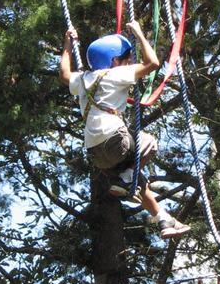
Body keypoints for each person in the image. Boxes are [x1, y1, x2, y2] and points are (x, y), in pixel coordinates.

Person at [60, 21, 191, 240]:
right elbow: (153, 63)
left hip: (96, 154)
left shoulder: (82, 79)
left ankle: (165, 221)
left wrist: (66, 45)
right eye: (126, 58)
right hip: (115, 141)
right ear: (114, 61)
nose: (130, 61)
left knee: (138, 183)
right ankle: (127, 178)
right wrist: (139, 33)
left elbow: (65, 74)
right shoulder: (116, 74)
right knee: (149, 142)